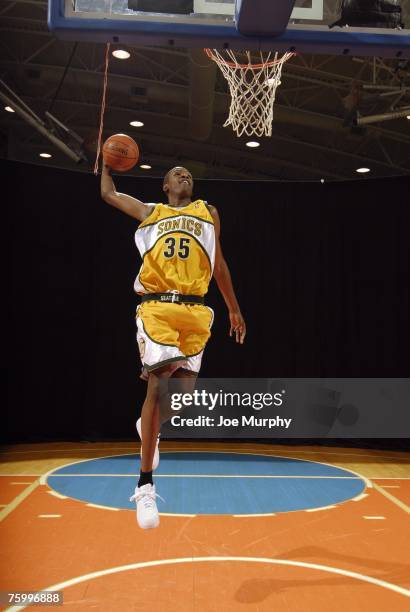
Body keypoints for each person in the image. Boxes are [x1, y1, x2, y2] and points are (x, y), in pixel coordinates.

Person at [101, 163, 246, 529]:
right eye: (177, 174)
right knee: (159, 380)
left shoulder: (208, 212)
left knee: (180, 398)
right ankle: (145, 483)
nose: (186, 177)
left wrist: (233, 308)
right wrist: (105, 163)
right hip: (157, 306)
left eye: (189, 175)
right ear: (165, 185)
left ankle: (148, 426)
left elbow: (219, 263)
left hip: (196, 309)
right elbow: (109, 194)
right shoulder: (152, 212)